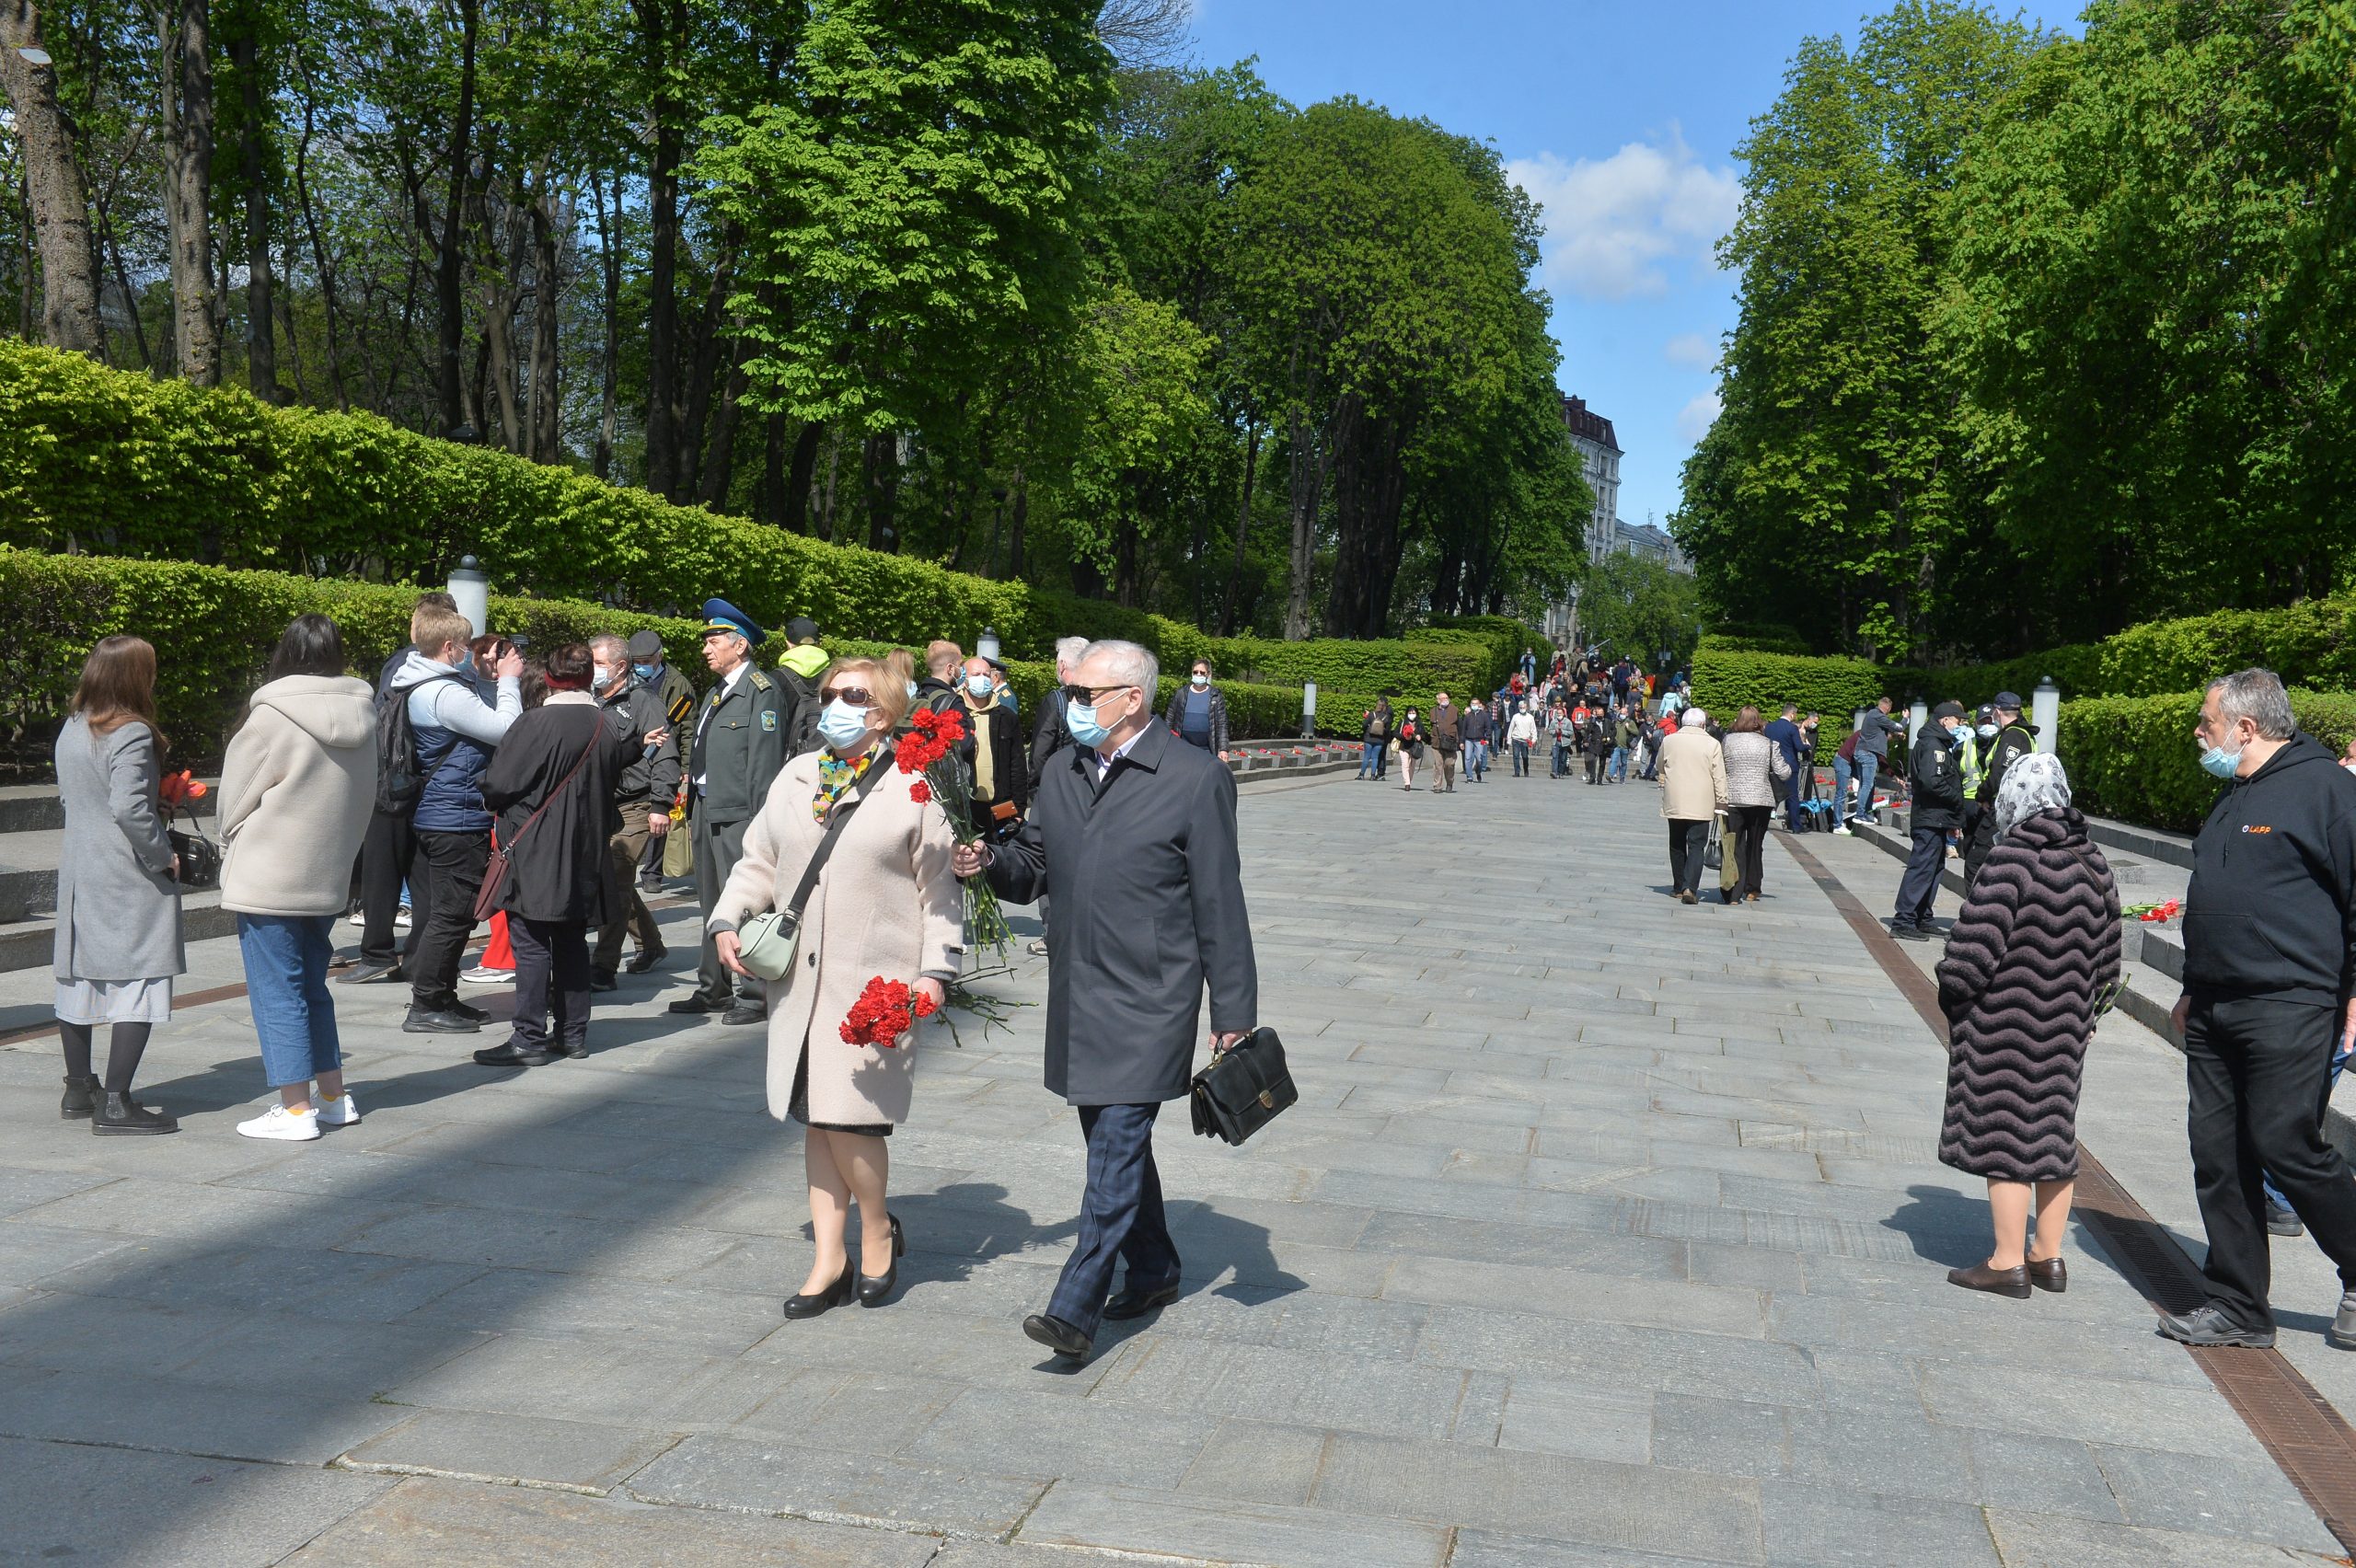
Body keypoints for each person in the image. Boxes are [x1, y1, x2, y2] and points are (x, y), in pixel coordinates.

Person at [953, 639, 1256, 1363]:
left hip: (1154, 993)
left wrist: (1234, 1018)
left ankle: (1076, 1303)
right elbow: (1033, 867)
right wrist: (986, 861)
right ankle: (1153, 1268)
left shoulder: (1195, 777)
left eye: (1085, 694)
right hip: (1080, 985)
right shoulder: (1062, 770)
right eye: (1071, 692)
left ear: (1132, 699)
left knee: (1116, 1140)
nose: (1072, 705)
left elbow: (1222, 904)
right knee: (1110, 1138)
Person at [709, 659, 957, 1315]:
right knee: (816, 1124)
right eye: (827, 695)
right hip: (798, 985)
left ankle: (876, 1230)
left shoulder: (913, 787)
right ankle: (829, 1258)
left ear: (882, 713)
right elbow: (758, 859)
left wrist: (935, 973)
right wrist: (727, 917)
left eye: (850, 695)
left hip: (874, 989)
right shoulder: (795, 776)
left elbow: (941, 896)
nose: (832, 705)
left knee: (851, 1124)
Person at [2155, 669, 2356, 1350]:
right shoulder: (2233, 794)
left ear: (2245, 728)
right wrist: (2190, 986)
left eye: (2206, 721)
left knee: (2283, 1143)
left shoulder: (2327, 789)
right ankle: (2238, 1305)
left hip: (2290, 999)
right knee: (2218, 1153)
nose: (2198, 732)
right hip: (2215, 1002)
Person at [1937, 752, 2119, 1297]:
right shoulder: (2094, 862)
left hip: (2005, 1024)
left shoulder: (2011, 859)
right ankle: (2049, 1255)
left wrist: (1952, 992)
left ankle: (2005, 1262)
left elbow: (1973, 951)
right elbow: (2108, 961)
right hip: (2065, 1025)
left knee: (2005, 1136)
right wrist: (2087, 1014)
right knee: (2052, 1134)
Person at [217, 615, 378, 1140]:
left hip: (270, 872)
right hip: (327, 871)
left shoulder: (270, 716)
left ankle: (293, 1109)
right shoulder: (364, 713)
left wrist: (229, 838)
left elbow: (234, 801)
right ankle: (332, 1098)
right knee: (313, 989)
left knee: (276, 990)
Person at [473, 643, 637, 1066]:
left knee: (530, 945)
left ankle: (528, 1037)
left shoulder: (535, 722)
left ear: (549, 678)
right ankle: (573, 1034)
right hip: (585, 851)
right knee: (571, 945)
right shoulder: (607, 725)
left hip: (536, 850)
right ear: (587, 678)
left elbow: (499, 784)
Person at [52, 636, 185, 1134]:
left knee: (79, 975)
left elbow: (82, 796)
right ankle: (116, 1102)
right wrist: (163, 854)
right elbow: (127, 808)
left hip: (81, 865)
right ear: (135, 677)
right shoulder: (131, 732)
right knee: (140, 976)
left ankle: (78, 1087)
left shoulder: (70, 727)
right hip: (126, 872)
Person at [389, 605, 525, 1033]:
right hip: (454, 817)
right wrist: (509, 681)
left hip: (445, 811)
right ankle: (427, 1003)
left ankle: (442, 996)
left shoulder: (429, 682)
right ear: (449, 647)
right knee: (452, 914)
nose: (472, 653)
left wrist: (485, 678)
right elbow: (507, 729)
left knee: (456, 912)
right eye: (466, 646)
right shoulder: (442, 694)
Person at [672, 599, 794, 1026]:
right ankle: (713, 987)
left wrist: (761, 825)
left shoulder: (762, 691)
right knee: (711, 901)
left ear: (739, 645)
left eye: (714, 640)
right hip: (707, 808)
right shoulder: (715, 692)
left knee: (746, 902)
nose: (706, 648)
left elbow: (764, 765)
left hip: (742, 814)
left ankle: (755, 992)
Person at [346, 590, 458, 986]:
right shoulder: (463, 671)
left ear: (420, 623)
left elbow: (381, 721)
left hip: (392, 783)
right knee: (425, 876)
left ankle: (377, 952)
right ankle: (419, 955)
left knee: (382, 870)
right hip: (438, 789)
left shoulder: (401, 663)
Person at [588, 634, 679, 990]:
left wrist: (661, 805)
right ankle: (652, 945)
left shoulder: (644, 702)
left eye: (598, 663)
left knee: (613, 879)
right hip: (600, 805)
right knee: (617, 881)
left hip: (636, 804)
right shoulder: (591, 700)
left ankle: (603, 966)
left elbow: (666, 753)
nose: (593, 670)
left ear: (620, 666)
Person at [1024, 636, 1091, 957]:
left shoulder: (1057, 700)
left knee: (1049, 860)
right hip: (1094, 792)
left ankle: (1052, 933)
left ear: (1062, 665)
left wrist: (1035, 792)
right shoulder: (1100, 695)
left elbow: (1039, 753)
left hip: (1057, 792)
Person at [628, 628, 698, 892]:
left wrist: (686, 768)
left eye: (647, 661)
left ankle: (652, 872)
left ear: (659, 656)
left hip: (666, 755)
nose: (642, 666)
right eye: (638, 662)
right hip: (635, 757)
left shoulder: (679, 684)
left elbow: (689, 730)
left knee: (661, 810)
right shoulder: (626, 679)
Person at [1891, 702, 1967, 940]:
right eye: (1959, 720)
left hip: (1938, 817)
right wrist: (1958, 798)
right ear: (1945, 720)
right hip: (1930, 817)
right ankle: (1904, 920)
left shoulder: (1939, 743)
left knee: (1934, 869)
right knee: (1922, 868)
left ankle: (1922, 916)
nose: (1961, 724)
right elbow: (1933, 781)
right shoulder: (1934, 745)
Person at [1963, 692, 2037, 891]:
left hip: (2002, 808)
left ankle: (1977, 915)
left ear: (1997, 712)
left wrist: (1982, 796)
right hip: (2015, 808)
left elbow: (1999, 773)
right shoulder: (2023, 734)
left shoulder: (2013, 735)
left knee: (1975, 863)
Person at [1657, 707, 1727, 905]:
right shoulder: (1712, 743)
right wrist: (1722, 800)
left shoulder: (1669, 740)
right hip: (1702, 801)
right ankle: (1690, 887)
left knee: (1676, 843)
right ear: (1703, 724)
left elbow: (1660, 765)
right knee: (1696, 845)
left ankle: (1678, 886)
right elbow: (1719, 775)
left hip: (1675, 799)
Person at [1720, 707, 1791, 903]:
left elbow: (1721, 767)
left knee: (1735, 844)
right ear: (1758, 721)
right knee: (1755, 845)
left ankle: (1733, 891)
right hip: (1761, 800)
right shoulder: (1769, 744)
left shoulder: (1728, 741)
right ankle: (1752, 888)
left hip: (1734, 799)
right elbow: (1783, 772)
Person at [962, 654, 1030, 833]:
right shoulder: (955, 713)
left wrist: (1019, 810)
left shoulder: (1006, 716)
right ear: (964, 678)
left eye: (986, 674)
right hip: (964, 807)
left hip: (1001, 804)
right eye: (976, 674)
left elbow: (1018, 764)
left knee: (998, 854)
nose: (982, 679)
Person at [1163, 659, 1231, 762]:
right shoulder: (1181, 694)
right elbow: (1169, 719)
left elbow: (1222, 724)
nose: (1198, 675)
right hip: (1182, 747)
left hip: (1206, 750)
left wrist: (1223, 749)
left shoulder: (1216, 696)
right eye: (1195, 672)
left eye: (1202, 672)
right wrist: (1166, 741)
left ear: (1208, 674)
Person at [1852, 696, 1900, 826]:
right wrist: (1905, 718)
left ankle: (1866, 813)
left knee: (1867, 784)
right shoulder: (1878, 715)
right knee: (1867, 785)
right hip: (1868, 754)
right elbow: (1897, 726)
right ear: (1887, 708)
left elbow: (1882, 732)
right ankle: (1860, 814)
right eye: (1890, 710)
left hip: (1862, 752)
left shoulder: (1872, 715)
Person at [1762, 704, 1805, 831]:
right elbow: (1799, 747)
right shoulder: (1792, 728)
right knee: (1792, 796)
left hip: (1772, 765)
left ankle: (1763, 823)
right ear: (1792, 714)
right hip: (1789, 766)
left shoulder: (1769, 727)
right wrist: (1807, 746)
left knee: (1771, 795)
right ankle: (1795, 826)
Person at [915, 640, 964, 717]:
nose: (961, 668)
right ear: (950, 668)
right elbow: (962, 729)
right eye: (960, 664)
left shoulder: (916, 697)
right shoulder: (954, 702)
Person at [1428, 692, 1461, 791]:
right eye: (1443, 698)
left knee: (1449, 764)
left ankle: (1450, 782)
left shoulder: (1454, 709)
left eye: (1447, 697)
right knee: (1438, 765)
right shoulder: (1433, 711)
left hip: (1450, 741)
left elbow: (1459, 725)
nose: (1445, 699)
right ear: (1438, 700)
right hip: (1437, 742)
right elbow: (1432, 725)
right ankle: (1437, 786)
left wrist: (1460, 740)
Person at [1831, 728, 1860, 834]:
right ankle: (1837, 825)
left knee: (1866, 782)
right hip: (1843, 761)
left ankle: (1862, 814)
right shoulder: (1864, 735)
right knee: (1841, 793)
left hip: (1847, 761)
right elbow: (1856, 754)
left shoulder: (1866, 733)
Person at [1358, 696, 1392, 781]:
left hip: (1369, 738)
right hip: (1379, 740)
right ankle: (1373, 776)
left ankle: (1361, 775)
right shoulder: (1386, 717)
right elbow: (1387, 730)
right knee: (1375, 758)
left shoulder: (1371, 714)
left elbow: (1364, 725)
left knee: (1366, 757)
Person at [1461, 698, 1492, 782]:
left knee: (1479, 758)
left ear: (1479, 705)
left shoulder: (1484, 715)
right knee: (1468, 758)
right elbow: (1464, 729)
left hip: (1479, 740)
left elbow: (1488, 727)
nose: (1474, 705)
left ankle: (1478, 772)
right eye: (1472, 703)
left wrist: (1487, 738)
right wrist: (1461, 741)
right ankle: (1469, 777)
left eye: (1476, 703)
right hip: (1469, 739)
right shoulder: (1468, 716)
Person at [1396, 705, 1425, 790]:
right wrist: (1404, 736)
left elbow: (1424, 735)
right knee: (1405, 765)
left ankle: (1409, 780)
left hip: (1414, 747)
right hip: (1404, 746)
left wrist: (1420, 737)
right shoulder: (1402, 722)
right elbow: (1395, 733)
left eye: (1413, 713)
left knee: (1412, 766)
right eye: (1410, 713)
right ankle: (1407, 783)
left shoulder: (1419, 724)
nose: (1412, 714)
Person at [1507, 704, 1538, 778]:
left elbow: (1533, 729)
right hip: (1516, 739)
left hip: (1525, 740)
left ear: (1526, 708)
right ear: (1518, 708)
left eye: (1523, 707)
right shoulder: (1515, 716)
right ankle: (1517, 772)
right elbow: (1511, 728)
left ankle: (1526, 770)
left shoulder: (1530, 717)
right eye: (1521, 707)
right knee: (1516, 756)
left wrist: (1534, 739)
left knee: (1525, 756)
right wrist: (1509, 739)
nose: (1522, 709)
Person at [1549, 701, 1576, 779]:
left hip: (1565, 743)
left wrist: (1562, 731)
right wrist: (1555, 731)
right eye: (1558, 713)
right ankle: (1554, 772)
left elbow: (1571, 732)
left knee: (1563, 759)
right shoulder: (1553, 722)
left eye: (1560, 713)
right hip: (1556, 742)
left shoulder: (1568, 722)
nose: (1559, 715)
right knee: (1555, 757)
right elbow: (1550, 731)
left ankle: (1561, 772)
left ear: (1563, 714)